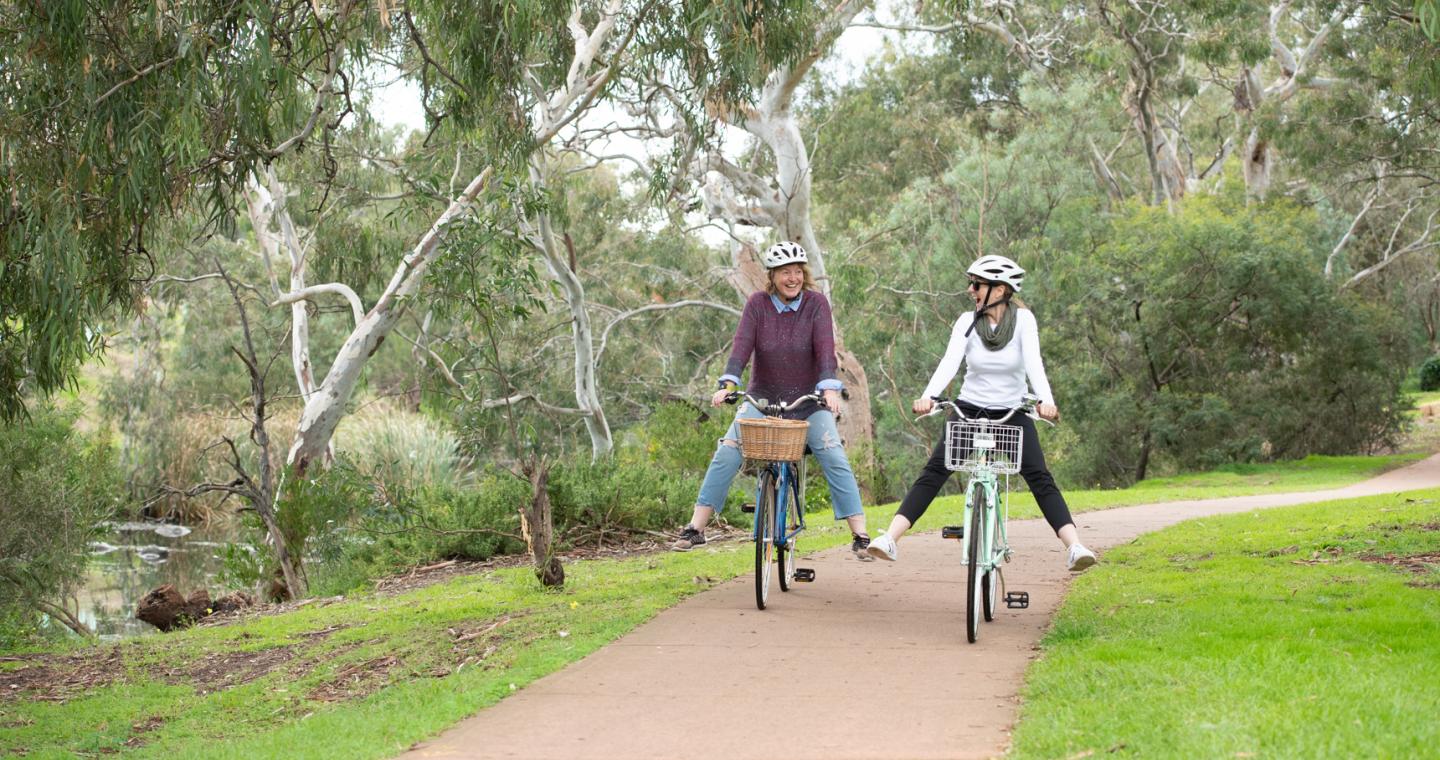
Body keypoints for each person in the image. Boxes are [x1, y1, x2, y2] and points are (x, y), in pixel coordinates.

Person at [867, 254, 1097, 571]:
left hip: (1012, 411)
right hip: (969, 410)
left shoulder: (1024, 322)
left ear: (999, 290)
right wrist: (929, 397)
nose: (970, 290)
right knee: (934, 471)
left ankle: (1074, 547)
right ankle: (889, 539)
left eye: (976, 284)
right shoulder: (967, 322)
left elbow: (1034, 364)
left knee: (1040, 477)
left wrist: (1046, 400)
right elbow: (949, 363)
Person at [671, 241, 872, 560]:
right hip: (762, 400)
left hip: (808, 402)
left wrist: (829, 389)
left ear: (803, 274)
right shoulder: (757, 305)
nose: (791, 278)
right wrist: (727, 382)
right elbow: (741, 347)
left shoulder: (816, 304)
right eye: (784, 272)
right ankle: (696, 528)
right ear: (772, 276)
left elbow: (824, 349)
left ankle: (860, 535)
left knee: (833, 455)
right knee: (728, 451)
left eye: (797, 272)